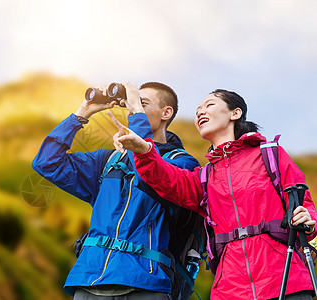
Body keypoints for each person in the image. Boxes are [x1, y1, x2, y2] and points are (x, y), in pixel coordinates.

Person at [111, 88, 317, 299]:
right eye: (197, 109)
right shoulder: (204, 176)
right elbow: (166, 179)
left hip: (284, 279)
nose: (200, 112)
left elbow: (303, 201)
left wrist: (308, 219)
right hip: (230, 287)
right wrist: (144, 151)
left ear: (235, 113)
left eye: (209, 105)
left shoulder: (270, 154)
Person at [32, 82, 200, 299]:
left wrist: (137, 120)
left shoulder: (183, 163)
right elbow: (47, 163)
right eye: (131, 103)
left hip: (145, 283)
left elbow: (149, 176)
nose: (132, 108)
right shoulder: (108, 161)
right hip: (89, 280)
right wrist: (82, 114)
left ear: (166, 113)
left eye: (142, 103)